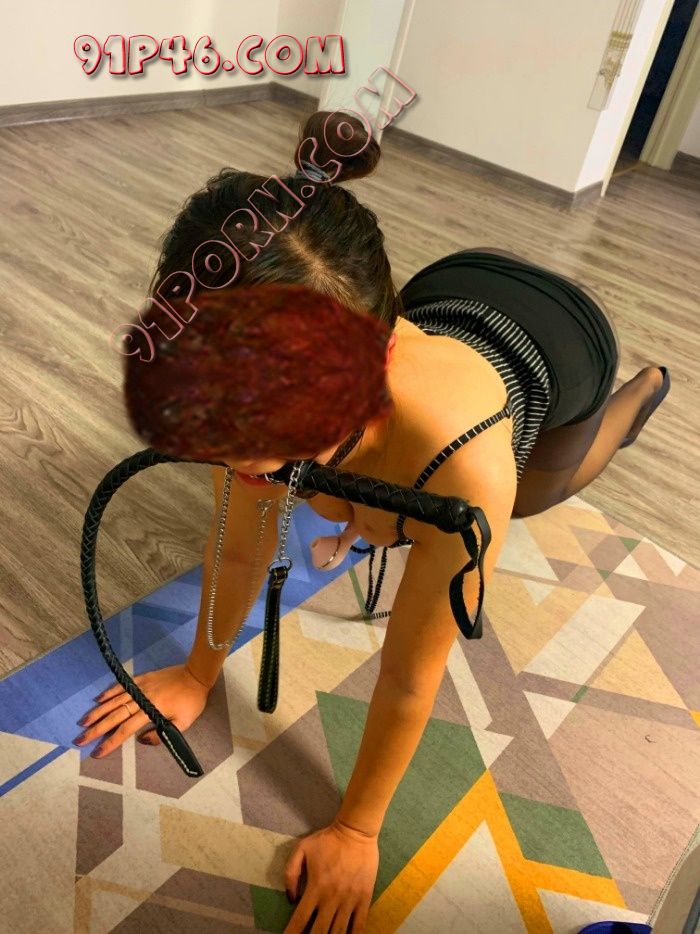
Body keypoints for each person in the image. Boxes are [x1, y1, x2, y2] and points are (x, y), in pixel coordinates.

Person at [75, 109, 670, 933]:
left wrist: (356, 830)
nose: (236, 455)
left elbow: (409, 674)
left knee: (542, 489)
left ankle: (639, 396)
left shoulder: (468, 465)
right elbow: (240, 551)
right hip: (454, 287)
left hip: (561, 347)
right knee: (329, 486)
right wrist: (197, 675)